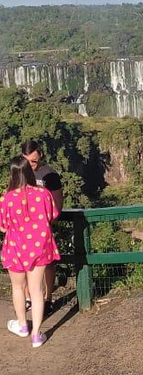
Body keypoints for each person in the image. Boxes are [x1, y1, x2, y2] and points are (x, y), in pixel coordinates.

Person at [1, 156, 61, 348]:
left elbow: (3, 227)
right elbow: (53, 215)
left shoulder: (7, 198)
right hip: (39, 246)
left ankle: (22, 325)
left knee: (18, 288)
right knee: (37, 290)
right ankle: (36, 335)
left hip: (16, 247)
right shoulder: (43, 194)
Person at [21, 141, 63, 316]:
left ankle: (47, 298)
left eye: (34, 161)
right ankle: (28, 298)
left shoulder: (50, 175)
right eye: (27, 161)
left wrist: (49, 222)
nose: (30, 165)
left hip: (44, 228)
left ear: (41, 157)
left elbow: (57, 204)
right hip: (24, 228)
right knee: (24, 264)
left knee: (47, 264)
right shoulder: (20, 172)